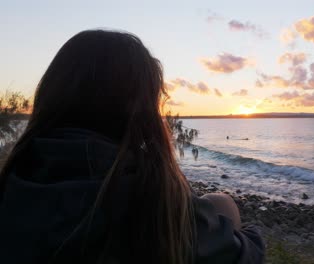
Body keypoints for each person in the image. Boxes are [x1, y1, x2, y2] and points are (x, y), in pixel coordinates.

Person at [0, 30, 264, 264]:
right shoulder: (149, 199)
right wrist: (243, 226)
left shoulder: (15, 178)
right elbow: (247, 255)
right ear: (141, 110)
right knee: (223, 203)